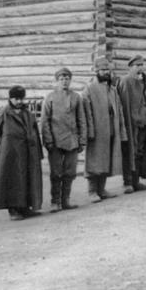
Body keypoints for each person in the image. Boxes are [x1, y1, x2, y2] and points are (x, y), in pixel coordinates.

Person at [0, 86, 44, 221]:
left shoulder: (28, 115)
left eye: (21, 98)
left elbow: (35, 133)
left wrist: (39, 153)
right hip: (11, 154)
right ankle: (13, 210)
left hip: (28, 153)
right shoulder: (4, 114)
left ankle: (25, 208)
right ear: (10, 98)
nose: (19, 101)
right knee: (12, 181)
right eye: (16, 98)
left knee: (27, 180)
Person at [40, 67, 86, 211]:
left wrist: (82, 139)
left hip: (72, 141)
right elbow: (45, 120)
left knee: (70, 173)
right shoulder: (50, 97)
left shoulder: (76, 97)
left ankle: (66, 200)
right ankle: (55, 201)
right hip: (55, 141)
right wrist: (48, 140)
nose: (64, 81)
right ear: (57, 81)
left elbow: (81, 120)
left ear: (70, 80)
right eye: (61, 79)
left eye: (67, 79)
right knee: (56, 173)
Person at [83, 57, 127, 201]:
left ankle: (102, 189)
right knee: (95, 161)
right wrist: (90, 131)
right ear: (97, 71)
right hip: (97, 131)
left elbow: (119, 110)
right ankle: (92, 191)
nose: (105, 72)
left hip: (111, 129)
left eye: (107, 70)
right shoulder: (89, 88)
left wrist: (121, 129)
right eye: (103, 70)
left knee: (106, 159)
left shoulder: (112, 89)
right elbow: (87, 111)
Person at [117, 55, 146, 193]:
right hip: (130, 124)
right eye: (137, 65)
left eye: (141, 65)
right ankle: (127, 182)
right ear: (130, 67)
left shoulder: (142, 82)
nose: (140, 68)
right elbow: (125, 104)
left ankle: (136, 181)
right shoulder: (126, 81)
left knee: (139, 152)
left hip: (143, 123)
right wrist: (128, 123)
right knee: (129, 152)